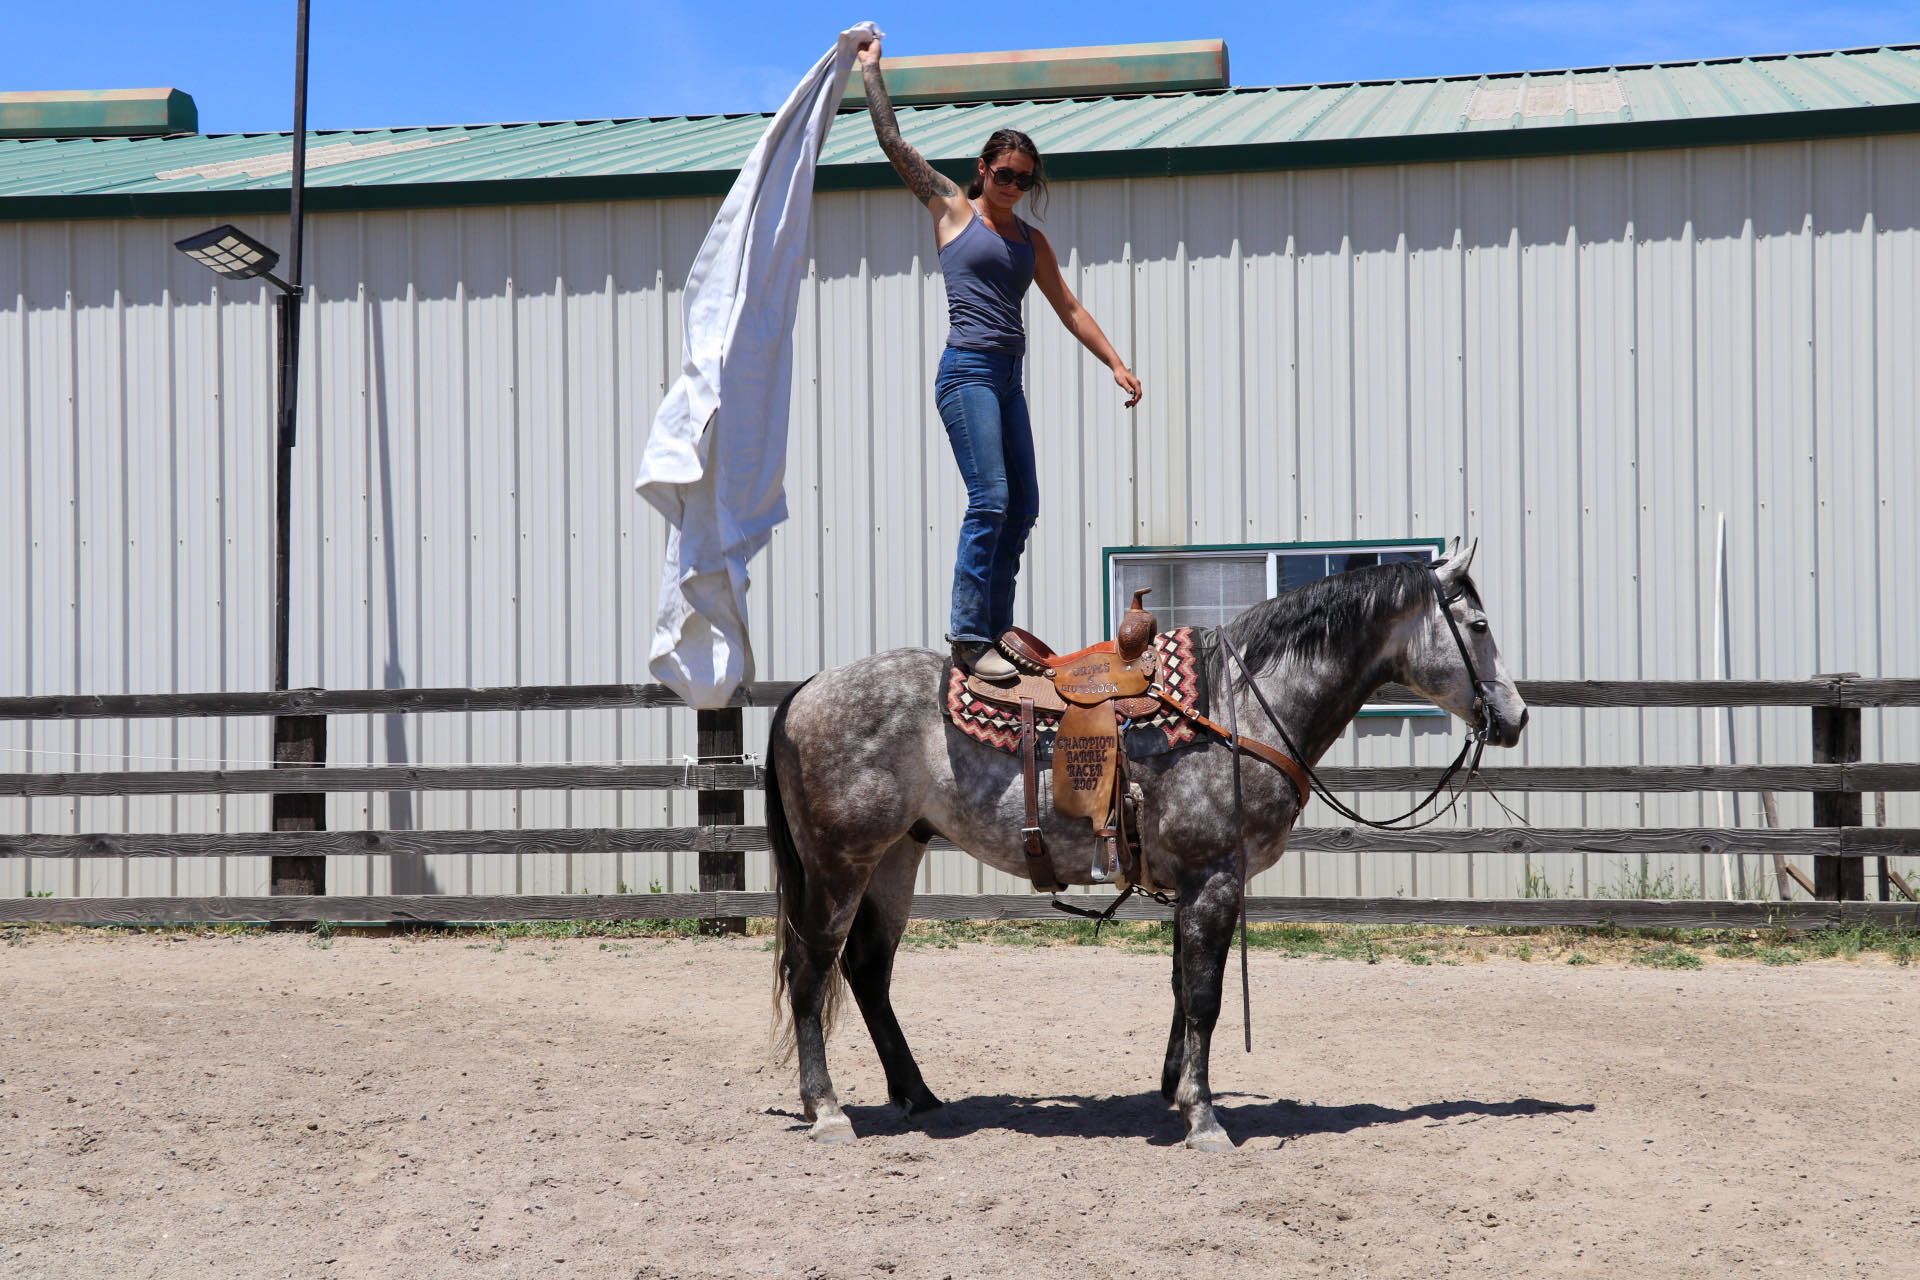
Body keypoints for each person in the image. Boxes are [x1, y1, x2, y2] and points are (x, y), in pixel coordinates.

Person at [857, 40, 1143, 679]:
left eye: (1024, 178)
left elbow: (1067, 306)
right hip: (967, 373)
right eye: (1005, 174)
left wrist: (1115, 363)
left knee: (1024, 505)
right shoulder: (953, 211)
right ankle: (967, 635)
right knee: (990, 498)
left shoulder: (1029, 239)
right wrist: (871, 68)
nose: (1014, 185)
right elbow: (893, 144)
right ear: (982, 170)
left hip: (1009, 379)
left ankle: (996, 630)